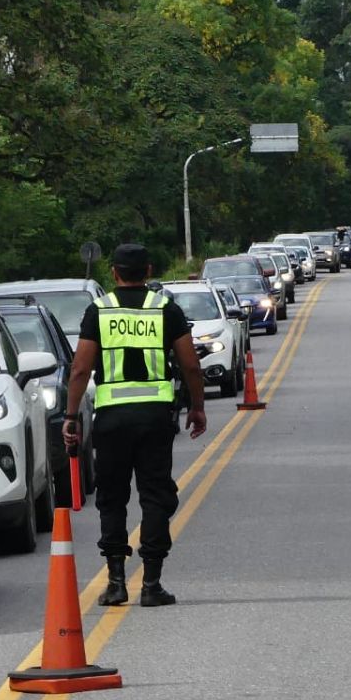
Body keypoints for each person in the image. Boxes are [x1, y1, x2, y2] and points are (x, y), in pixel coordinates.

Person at [62, 243, 206, 607]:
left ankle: (115, 583)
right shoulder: (165, 309)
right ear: (149, 270)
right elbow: (190, 365)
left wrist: (70, 416)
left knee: (112, 497)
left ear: (113, 273)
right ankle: (152, 583)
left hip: (111, 420)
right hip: (155, 418)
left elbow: (80, 369)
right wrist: (197, 407)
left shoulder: (98, 311)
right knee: (156, 494)